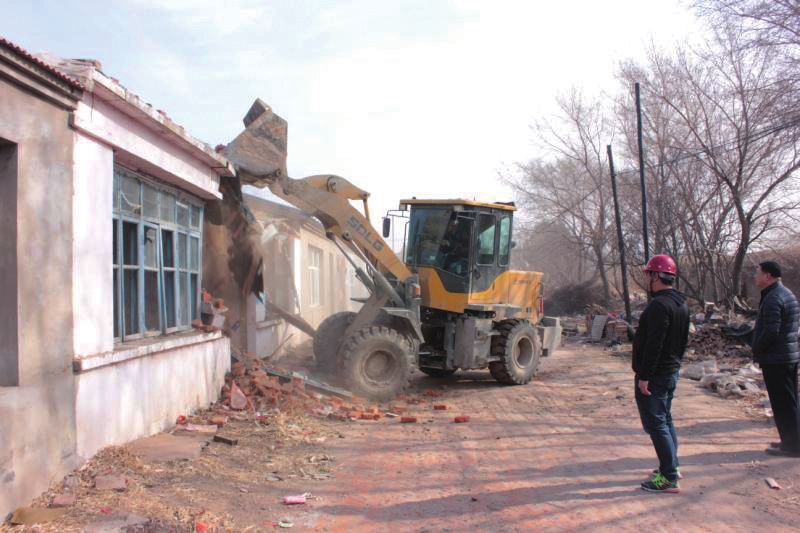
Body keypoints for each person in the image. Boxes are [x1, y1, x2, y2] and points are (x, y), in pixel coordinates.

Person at [632, 254, 690, 493]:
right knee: (665, 420)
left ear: (656, 276)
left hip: (656, 374)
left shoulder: (659, 305)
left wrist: (645, 375)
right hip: (670, 370)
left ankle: (668, 478)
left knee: (657, 424)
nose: (647, 279)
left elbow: (656, 344)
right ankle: (671, 467)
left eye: (649, 275)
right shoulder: (680, 303)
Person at [751, 260, 800, 457]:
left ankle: (793, 446)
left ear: (767, 276)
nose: (755, 276)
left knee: (783, 404)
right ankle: (790, 440)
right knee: (789, 402)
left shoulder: (773, 298)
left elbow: (771, 331)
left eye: (757, 272)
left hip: (778, 358)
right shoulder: (784, 293)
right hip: (787, 355)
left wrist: (756, 348)